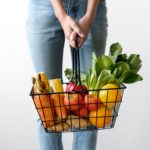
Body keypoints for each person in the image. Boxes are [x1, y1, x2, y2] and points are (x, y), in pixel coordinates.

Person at [26, 0, 108, 150]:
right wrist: (61, 15)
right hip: (44, 6)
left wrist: (90, 16)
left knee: (90, 105)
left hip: (90, 5)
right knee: (47, 107)